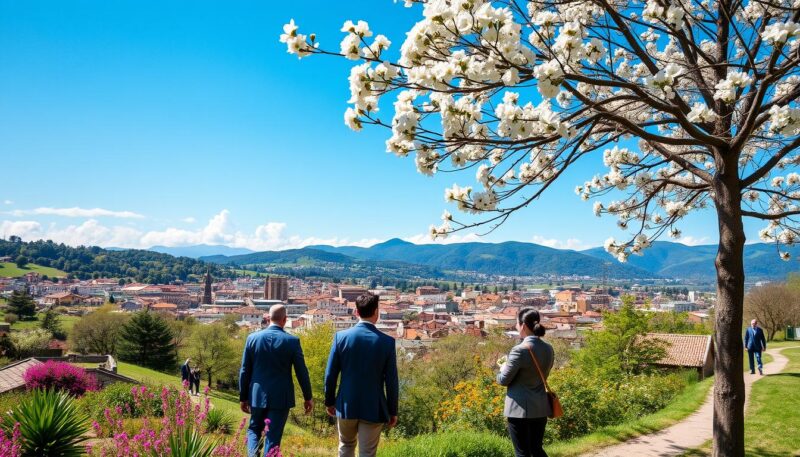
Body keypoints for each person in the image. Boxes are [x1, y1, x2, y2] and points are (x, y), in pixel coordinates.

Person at [324, 293, 399, 457]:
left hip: (345, 404)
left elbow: (330, 374)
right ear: (376, 312)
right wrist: (393, 411)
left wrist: (330, 401)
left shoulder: (341, 338)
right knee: (367, 453)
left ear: (356, 312)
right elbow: (392, 382)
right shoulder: (387, 343)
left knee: (345, 445)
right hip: (374, 406)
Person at [239, 304, 313, 456]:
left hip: (256, 395)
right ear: (285, 320)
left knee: (253, 430)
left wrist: (243, 397)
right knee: (273, 437)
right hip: (281, 396)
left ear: (268, 317)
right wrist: (308, 397)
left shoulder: (252, 338)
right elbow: (301, 372)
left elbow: (245, 370)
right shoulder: (292, 341)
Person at [497, 307, 554, 457]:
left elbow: (503, 380)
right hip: (540, 407)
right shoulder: (549, 349)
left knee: (522, 452)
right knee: (536, 449)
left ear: (522, 325)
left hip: (519, 410)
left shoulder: (519, 350)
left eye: (516, 323)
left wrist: (502, 368)